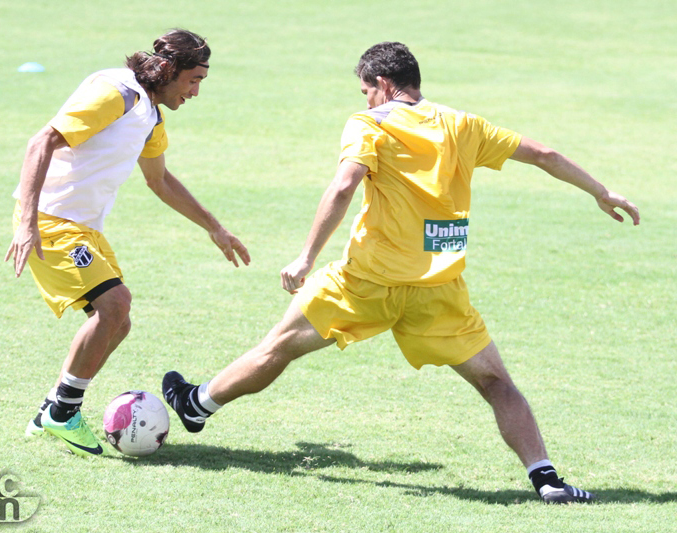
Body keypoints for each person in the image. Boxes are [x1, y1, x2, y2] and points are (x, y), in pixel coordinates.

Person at [162, 42, 639, 503]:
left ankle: (198, 404)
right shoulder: (461, 123)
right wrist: (601, 191)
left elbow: (345, 183)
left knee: (279, 348)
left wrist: (306, 257)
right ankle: (547, 479)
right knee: (496, 383)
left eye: (366, 90)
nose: (365, 99)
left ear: (383, 84)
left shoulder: (369, 124)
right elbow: (544, 154)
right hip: (438, 289)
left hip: (366, 281)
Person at [5, 29, 250, 457]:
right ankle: (63, 413)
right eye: (193, 80)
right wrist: (27, 222)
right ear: (169, 71)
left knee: (119, 320)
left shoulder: (151, 114)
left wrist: (214, 226)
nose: (195, 91)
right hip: (51, 220)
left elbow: (160, 180)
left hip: (83, 227)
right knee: (113, 305)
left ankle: (51, 409)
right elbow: (41, 141)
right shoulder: (116, 93)